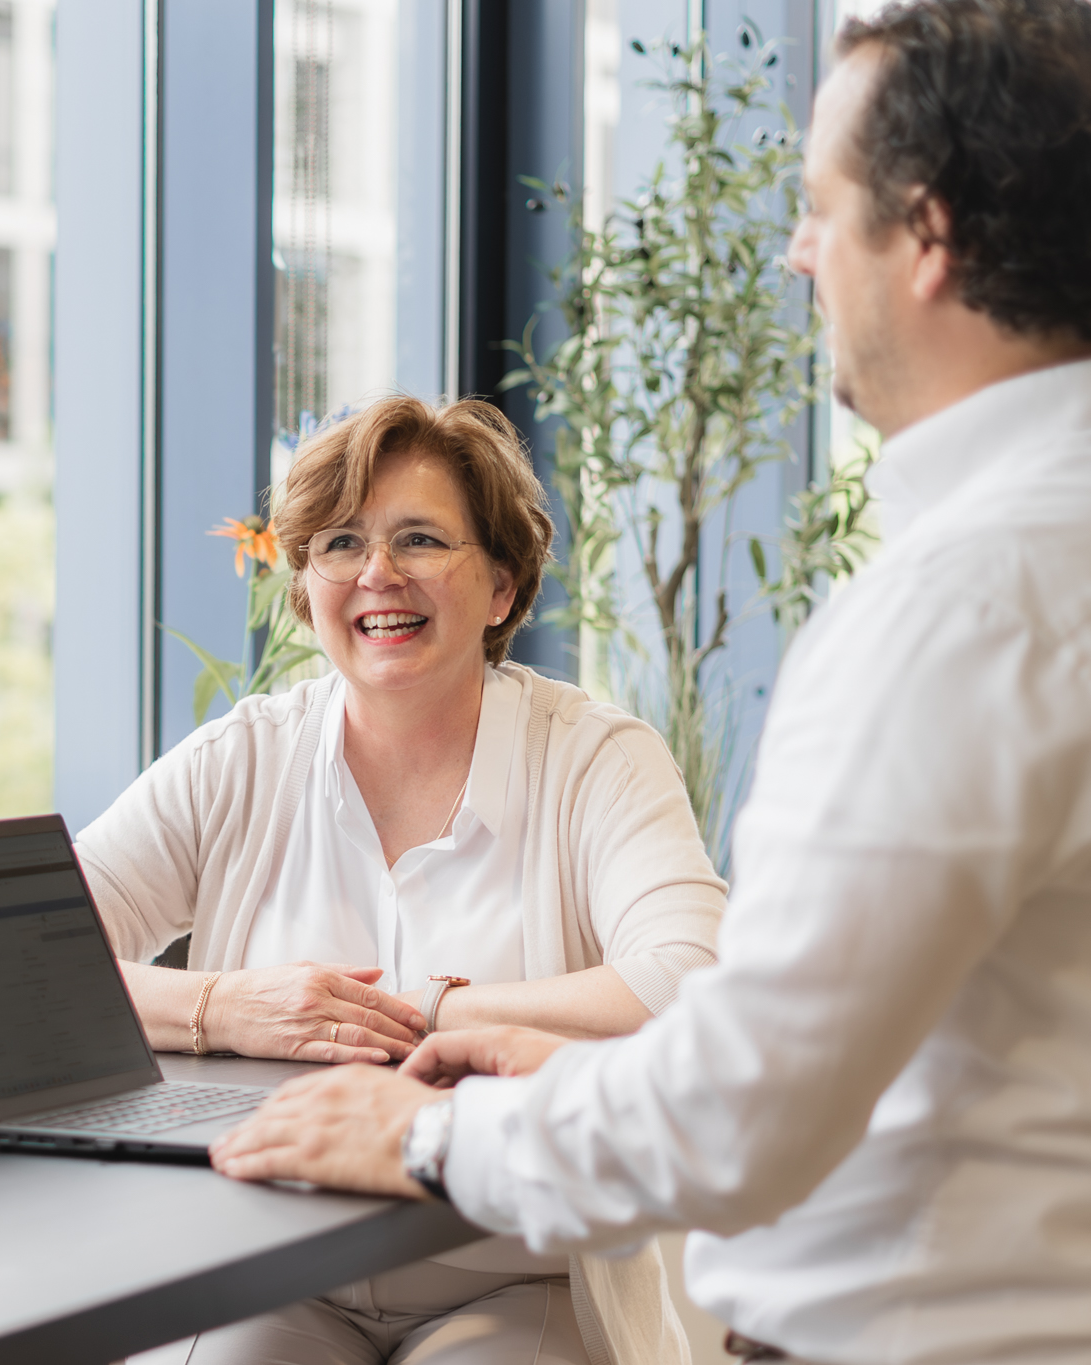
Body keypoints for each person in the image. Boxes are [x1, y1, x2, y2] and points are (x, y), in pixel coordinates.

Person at [209, 3, 1091, 1361]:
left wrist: (437, 1132)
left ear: (929, 235)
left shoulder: (967, 602)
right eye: (339, 546)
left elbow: (744, 1101)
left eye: (820, 208)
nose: (799, 253)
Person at [76, 395, 726, 1363]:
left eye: (419, 539)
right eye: (339, 543)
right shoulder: (242, 756)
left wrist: (424, 1013)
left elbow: (692, 980)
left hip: (515, 1267)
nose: (377, 574)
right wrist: (220, 1006)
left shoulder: (594, 758)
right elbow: (24, 971)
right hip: (273, 1263)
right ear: (304, 585)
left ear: (500, 587)